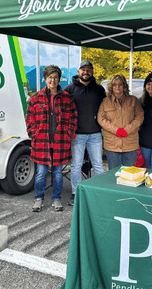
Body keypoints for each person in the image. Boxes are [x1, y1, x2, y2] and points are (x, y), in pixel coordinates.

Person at [25, 65, 77, 212]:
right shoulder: (35, 99)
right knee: (41, 174)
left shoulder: (67, 99)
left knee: (58, 174)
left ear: (59, 79)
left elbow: (73, 118)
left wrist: (69, 135)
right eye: (49, 77)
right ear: (45, 79)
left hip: (60, 143)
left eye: (55, 77)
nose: (52, 80)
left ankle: (56, 198)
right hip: (42, 143)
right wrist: (33, 134)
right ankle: (39, 198)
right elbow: (29, 119)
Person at [65, 61, 106, 206]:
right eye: (83, 69)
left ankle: (100, 191)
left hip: (95, 134)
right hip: (77, 135)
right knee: (76, 165)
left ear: (92, 72)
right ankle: (76, 193)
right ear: (78, 71)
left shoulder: (99, 89)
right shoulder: (69, 89)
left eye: (89, 69)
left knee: (98, 165)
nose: (86, 72)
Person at [98, 75, 144, 169]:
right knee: (113, 174)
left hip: (130, 144)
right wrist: (116, 130)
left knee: (129, 174)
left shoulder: (133, 100)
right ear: (111, 87)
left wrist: (127, 130)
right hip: (112, 145)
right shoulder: (105, 102)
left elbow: (140, 117)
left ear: (124, 86)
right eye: (115, 85)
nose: (117, 87)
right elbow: (101, 119)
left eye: (120, 84)